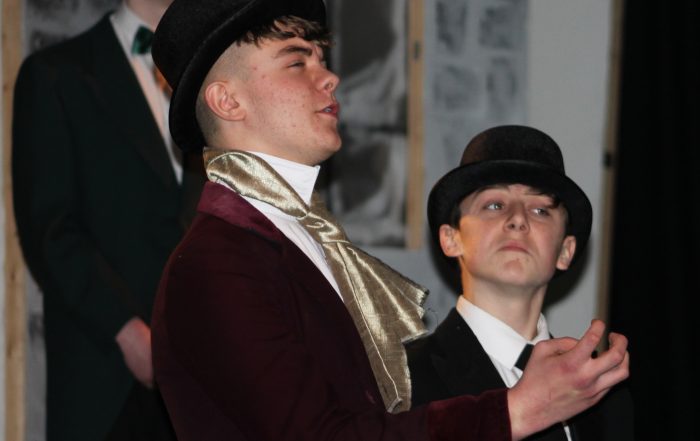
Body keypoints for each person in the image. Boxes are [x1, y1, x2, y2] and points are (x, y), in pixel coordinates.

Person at [149, 1, 630, 440]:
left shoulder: (303, 244)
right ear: (228, 101)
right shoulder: (216, 262)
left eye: (322, 58)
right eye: (297, 62)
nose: (329, 77)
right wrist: (518, 410)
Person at [11, 0, 205, 440]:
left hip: (203, 384)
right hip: (106, 381)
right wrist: (126, 330)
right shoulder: (56, 74)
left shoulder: (215, 80)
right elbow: (51, 229)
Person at [406, 125, 634, 440]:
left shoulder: (603, 392)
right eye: (494, 205)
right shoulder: (399, 379)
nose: (518, 219)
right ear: (451, 238)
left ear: (565, 251)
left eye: (540, 210)